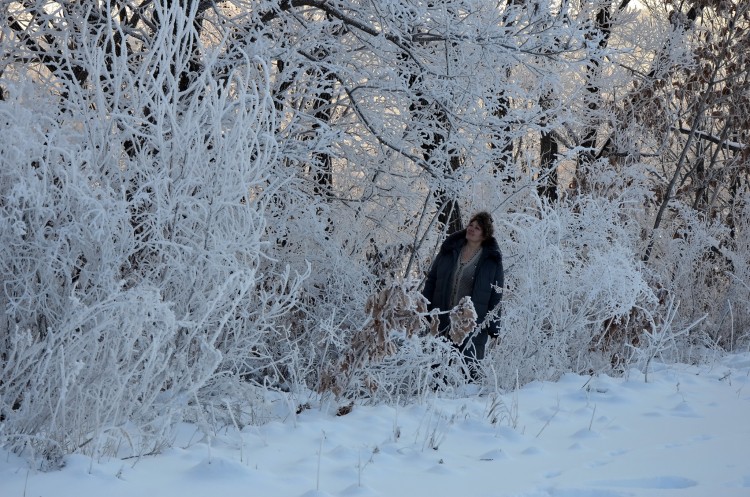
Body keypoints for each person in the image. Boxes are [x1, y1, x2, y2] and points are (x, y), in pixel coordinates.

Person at [422, 211, 504, 370]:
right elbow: (432, 279)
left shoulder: (491, 260)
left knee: (467, 371)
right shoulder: (449, 250)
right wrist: (426, 309)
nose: (471, 229)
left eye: (477, 228)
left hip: (471, 323)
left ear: (485, 235)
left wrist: (494, 327)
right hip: (443, 317)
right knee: (437, 368)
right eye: (470, 225)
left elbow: (496, 295)